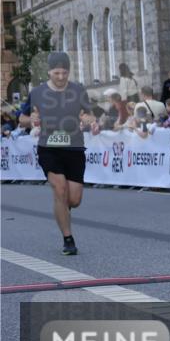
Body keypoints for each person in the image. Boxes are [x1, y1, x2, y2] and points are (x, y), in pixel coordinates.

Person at [29, 52, 99, 255]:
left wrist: (89, 119)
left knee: (74, 200)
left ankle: (63, 210)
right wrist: (31, 118)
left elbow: (90, 113)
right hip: (49, 148)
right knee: (60, 190)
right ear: (49, 71)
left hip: (74, 147)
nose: (60, 77)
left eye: (64, 72)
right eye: (56, 72)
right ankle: (68, 239)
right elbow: (24, 118)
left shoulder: (78, 90)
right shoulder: (38, 92)